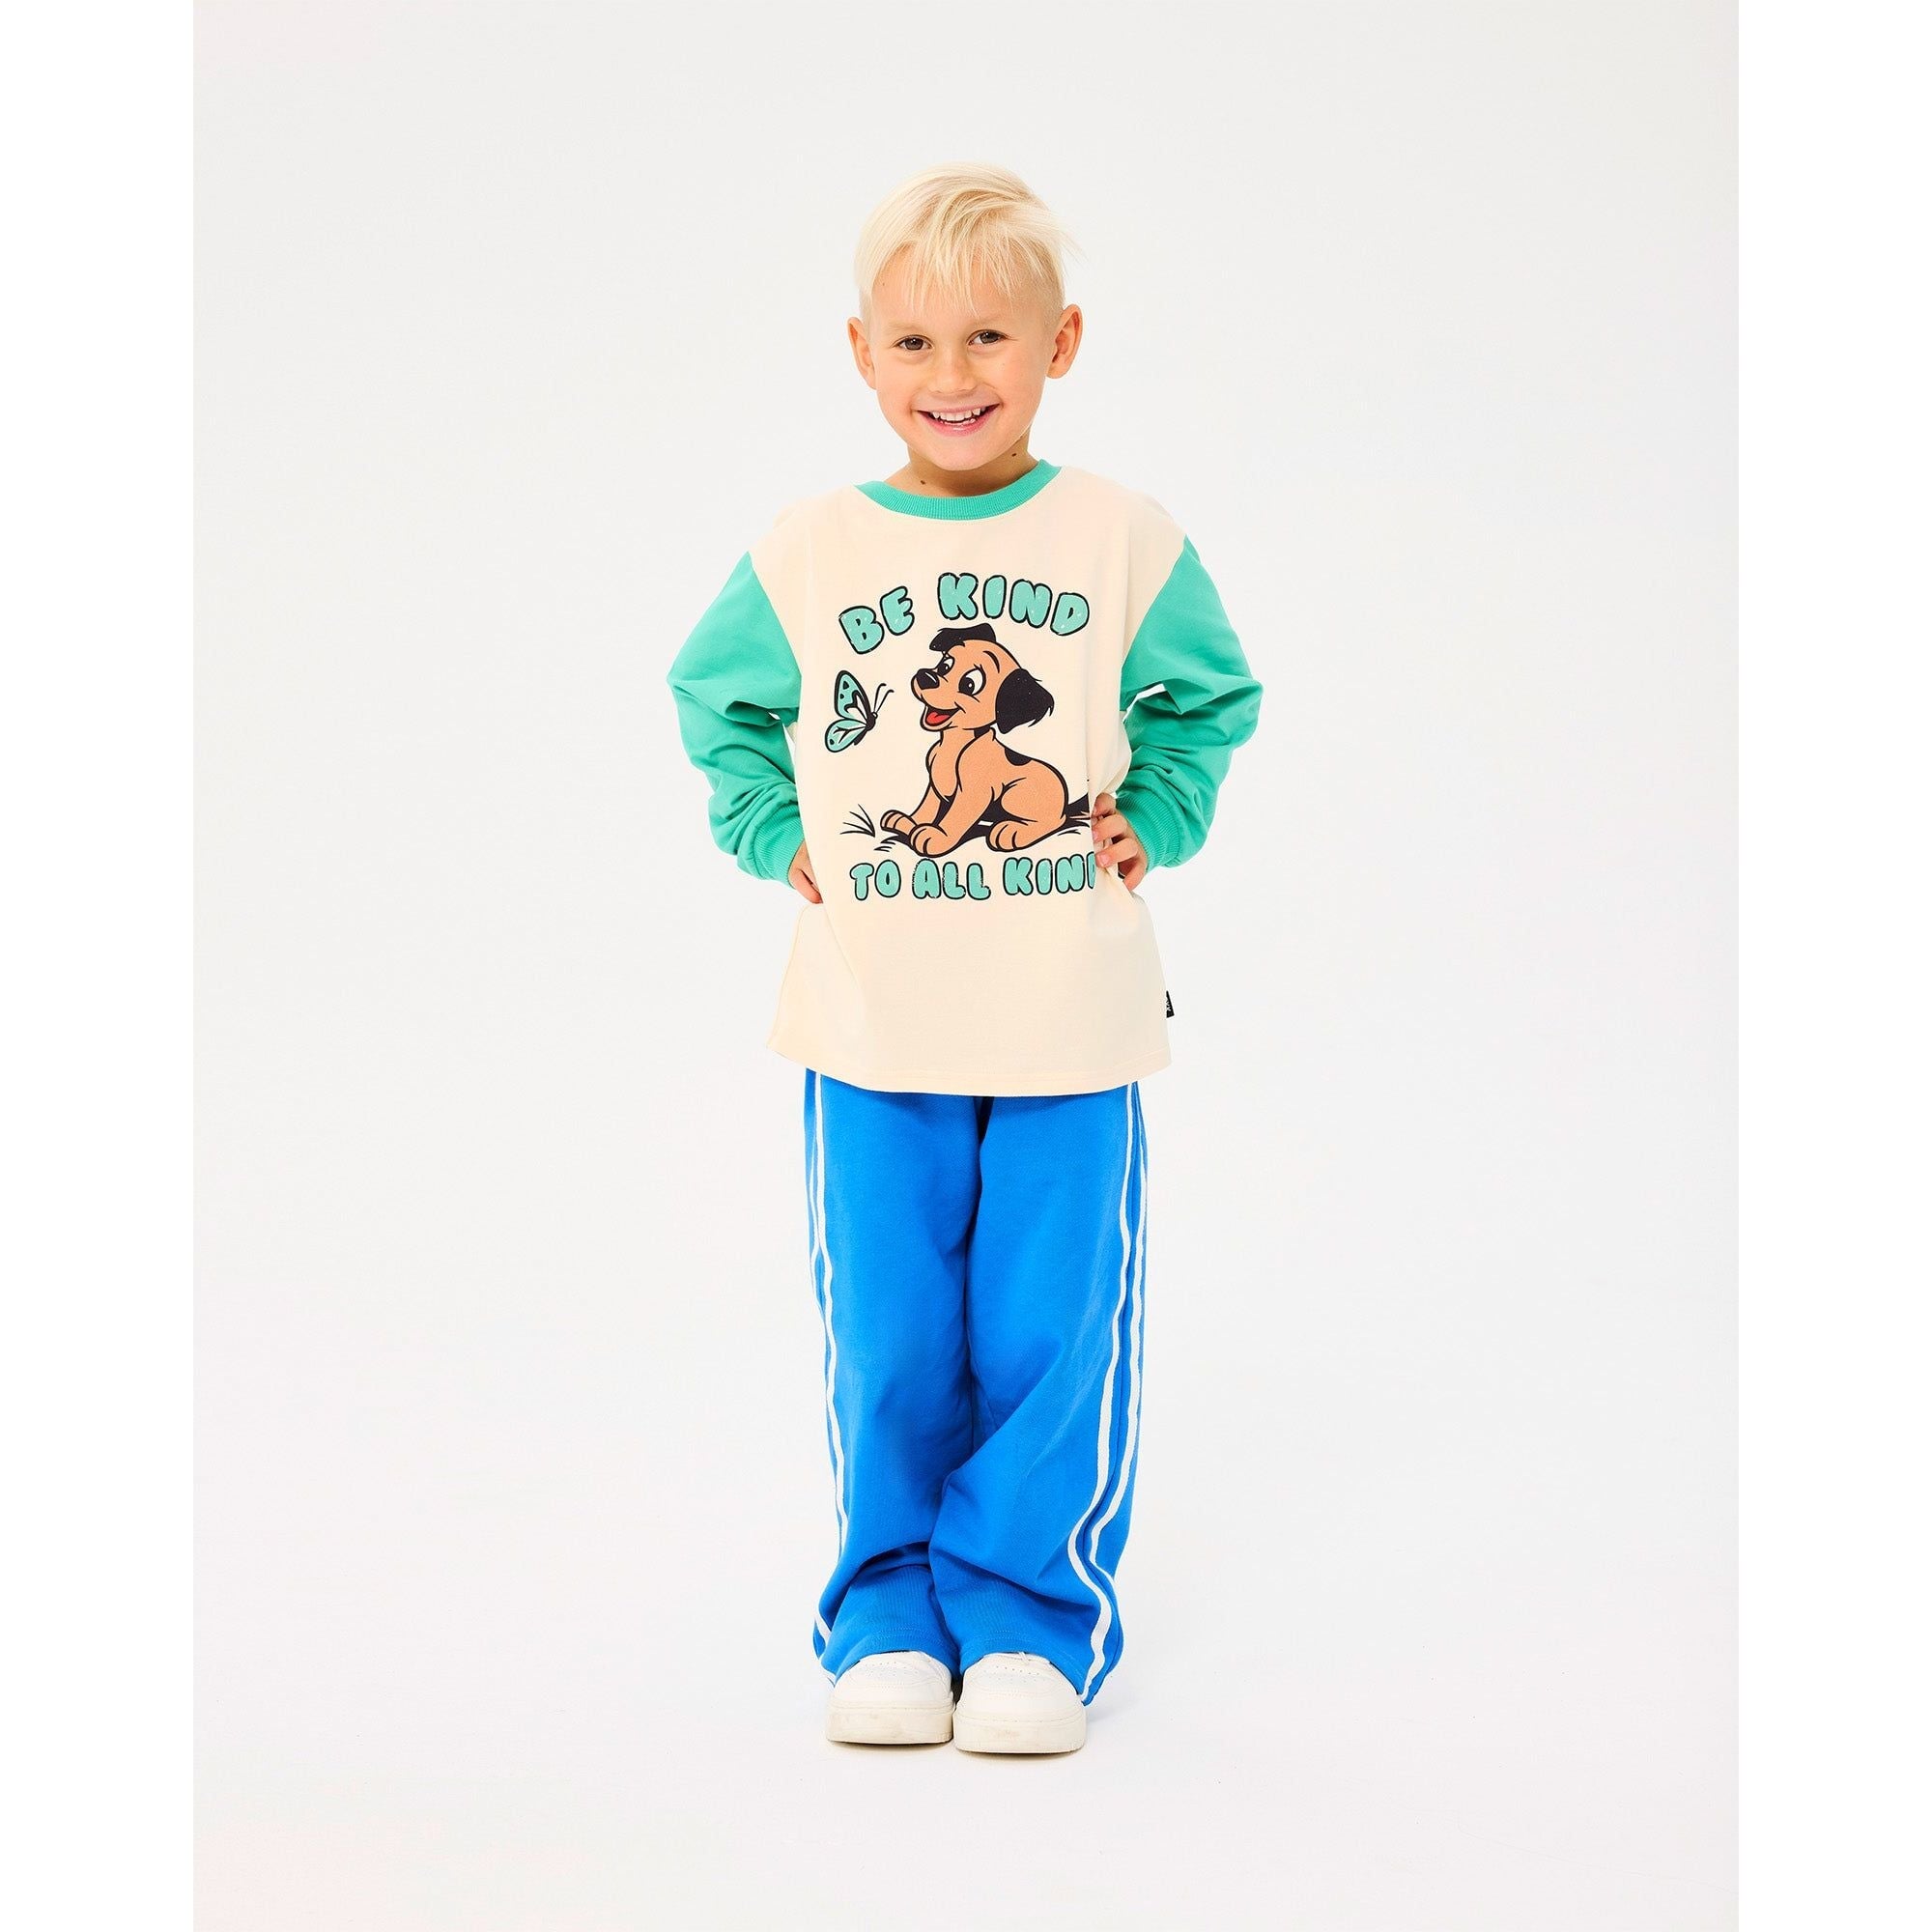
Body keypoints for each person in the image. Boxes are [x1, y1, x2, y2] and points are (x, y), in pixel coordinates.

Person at [668, 162, 1263, 1754]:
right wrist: (768, 826)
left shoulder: (1120, 535)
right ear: (861, 352)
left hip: (1070, 1016)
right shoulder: (809, 550)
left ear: (1060, 344)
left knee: (1049, 1331)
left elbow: (1210, 696)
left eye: (990, 337)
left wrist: (1162, 809)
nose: (953, 375)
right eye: (916, 342)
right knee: (894, 1335)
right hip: (873, 1020)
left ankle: (1027, 1621)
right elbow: (717, 701)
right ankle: (886, 1613)